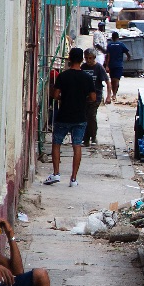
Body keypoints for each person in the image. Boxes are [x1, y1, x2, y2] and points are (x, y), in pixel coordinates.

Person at [46, 47, 96, 186]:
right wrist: (82, 98)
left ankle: (56, 174)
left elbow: (56, 95)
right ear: (82, 60)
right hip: (80, 116)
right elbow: (93, 97)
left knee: (56, 144)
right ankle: (73, 179)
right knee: (77, 146)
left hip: (63, 116)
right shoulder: (87, 78)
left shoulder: (63, 76)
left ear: (69, 59)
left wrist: (64, 97)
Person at [80, 48, 108, 146]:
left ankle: (93, 136)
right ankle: (86, 138)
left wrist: (109, 96)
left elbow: (107, 81)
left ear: (94, 58)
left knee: (91, 116)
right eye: (86, 58)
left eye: (90, 58)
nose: (88, 60)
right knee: (85, 117)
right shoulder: (83, 67)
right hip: (84, 97)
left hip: (96, 96)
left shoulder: (99, 68)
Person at [104, 32, 131, 104]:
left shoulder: (109, 45)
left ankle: (114, 94)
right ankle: (114, 95)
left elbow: (107, 56)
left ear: (112, 38)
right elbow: (127, 53)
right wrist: (128, 58)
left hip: (111, 65)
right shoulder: (121, 45)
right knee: (116, 80)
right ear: (118, 37)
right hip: (119, 65)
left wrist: (106, 66)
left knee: (113, 80)